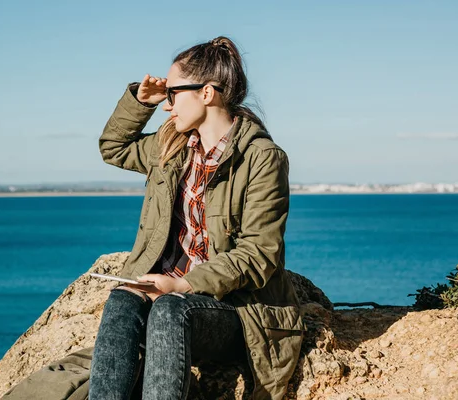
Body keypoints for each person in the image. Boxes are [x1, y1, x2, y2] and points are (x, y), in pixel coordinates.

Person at [90, 36, 305, 400]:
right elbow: (114, 148)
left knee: (170, 311)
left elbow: (259, 254)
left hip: (236, 309)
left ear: (207, 93)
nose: (167, 106)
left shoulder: (262, 158)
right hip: (170, 290)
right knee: (123, 300)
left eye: (173, 94)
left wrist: (183, 285)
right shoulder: (171, 146)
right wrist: (141, 100)